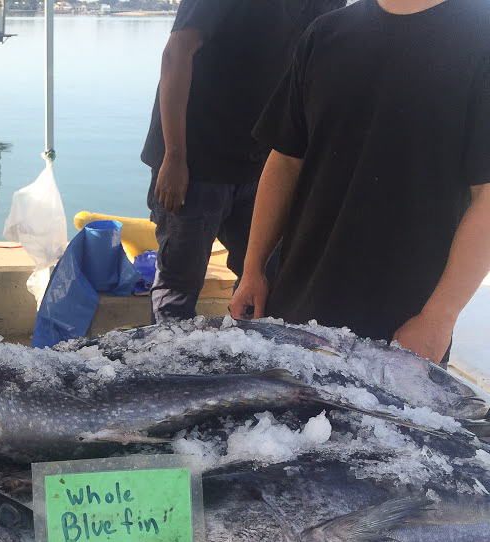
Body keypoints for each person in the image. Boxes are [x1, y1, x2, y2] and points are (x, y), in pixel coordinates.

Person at [229, 0, 490, 366]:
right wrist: (253, 268)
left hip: (403, 332)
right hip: (293, 310)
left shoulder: (482, 34)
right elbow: (286, 159)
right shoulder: (326, 33)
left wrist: (439, 317)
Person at [140, 0, 343, 323]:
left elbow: (317, 75)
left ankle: (242, 369)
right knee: (177, 290)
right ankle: (169, 372)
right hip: (195, 165)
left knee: (266, 285)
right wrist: (174, 156)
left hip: (265, 166)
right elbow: (176, 52)